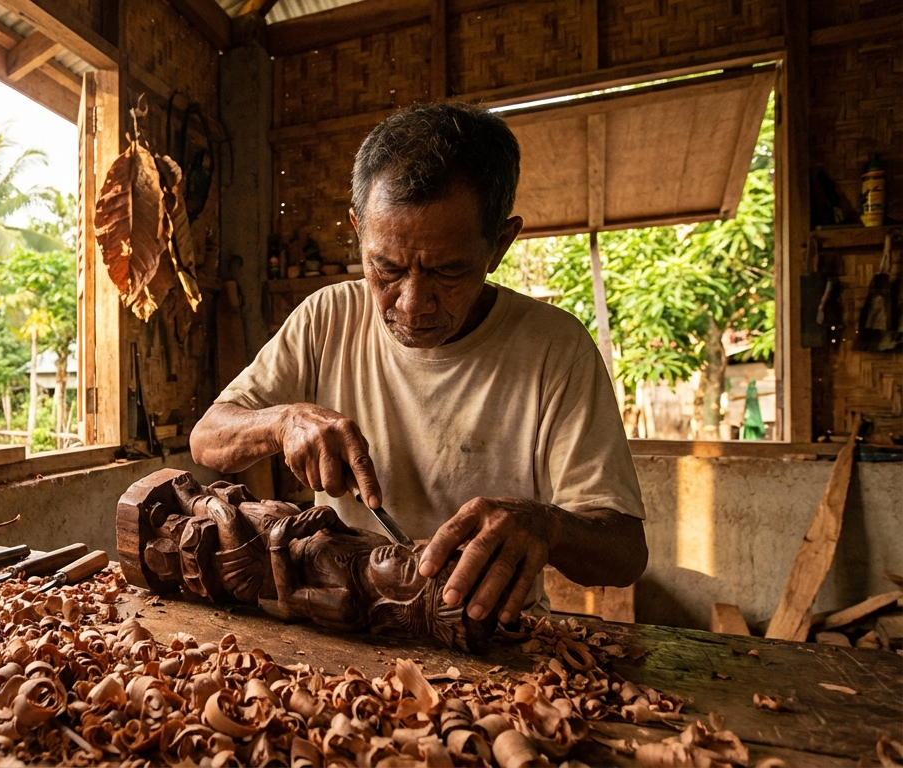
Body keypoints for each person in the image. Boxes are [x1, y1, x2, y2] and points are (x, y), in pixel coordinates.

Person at [191, 102, 647, 627]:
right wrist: (282, 421)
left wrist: (547, 526)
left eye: (448, 271)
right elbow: (208, 439)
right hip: (342, 627)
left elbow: (625, 551)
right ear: (358, 230)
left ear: (499, 244)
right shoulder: (327, 317)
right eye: (385, 267)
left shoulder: (554, 347)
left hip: (489, 638)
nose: (411, 303)